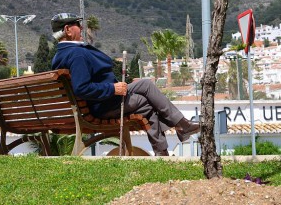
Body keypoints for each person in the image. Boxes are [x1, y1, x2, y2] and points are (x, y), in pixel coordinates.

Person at [50, 13, 200, 156]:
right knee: (146, 104)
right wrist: (112, 88)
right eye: (77, 24)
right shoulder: (77, 54)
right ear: (68, 30)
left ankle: (181, 126)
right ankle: (168, 143)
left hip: (100, 101)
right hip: (104, 104)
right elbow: (81, 88)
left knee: (145, 85)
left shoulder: (61, 54)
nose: (81, 27)